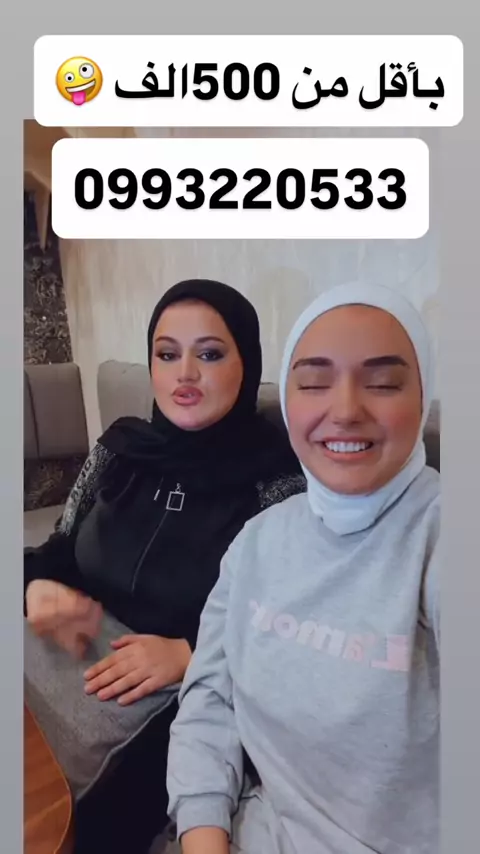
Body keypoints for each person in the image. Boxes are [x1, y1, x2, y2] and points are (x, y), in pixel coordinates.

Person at [23, 278, 305, 854]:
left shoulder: (279, 484)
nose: (185, 375)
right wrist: (38, 587)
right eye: (168, 354)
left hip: (178, 705)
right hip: (63, 670)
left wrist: (191, 653)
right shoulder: (119, 450)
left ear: (247, 364)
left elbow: (292, 631)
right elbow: (58, 547)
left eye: (210, 354)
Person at [166, 282, 440, 854]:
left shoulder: (439, 534)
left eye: (383, 383)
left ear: (423, 398)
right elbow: (209, 704)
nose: (346, 410)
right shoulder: (258, 541)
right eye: (314, 383)